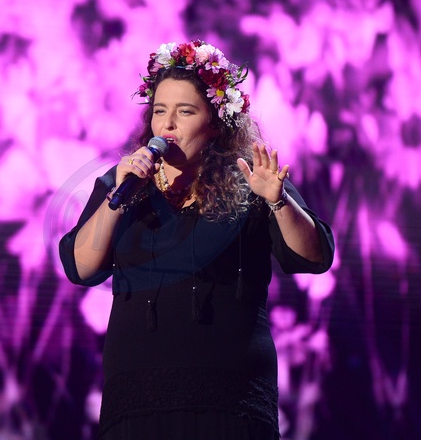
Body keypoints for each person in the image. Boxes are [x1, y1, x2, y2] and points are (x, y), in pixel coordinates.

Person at [59, 40, 335, 440]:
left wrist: (277, 201)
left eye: (185, 111)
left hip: (232, 400)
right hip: (138, 401)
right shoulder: (121, 184)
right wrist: (118, 197)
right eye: (159, 111)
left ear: (216, 123)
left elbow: (314, 257)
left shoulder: (251, 181)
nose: (167, 125)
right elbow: (81, 268)